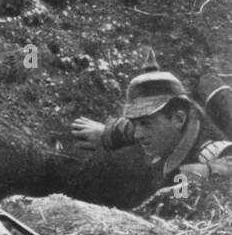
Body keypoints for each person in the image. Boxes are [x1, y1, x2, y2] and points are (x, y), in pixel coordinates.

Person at [70, 51, 231, 191]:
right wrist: (108, 133)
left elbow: (177, 212)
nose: (138, 134)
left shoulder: (209, 156)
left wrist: (206, 172)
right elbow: (137, 127)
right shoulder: (171, 127)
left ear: (178, 119)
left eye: (146, 124)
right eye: (136, 123)